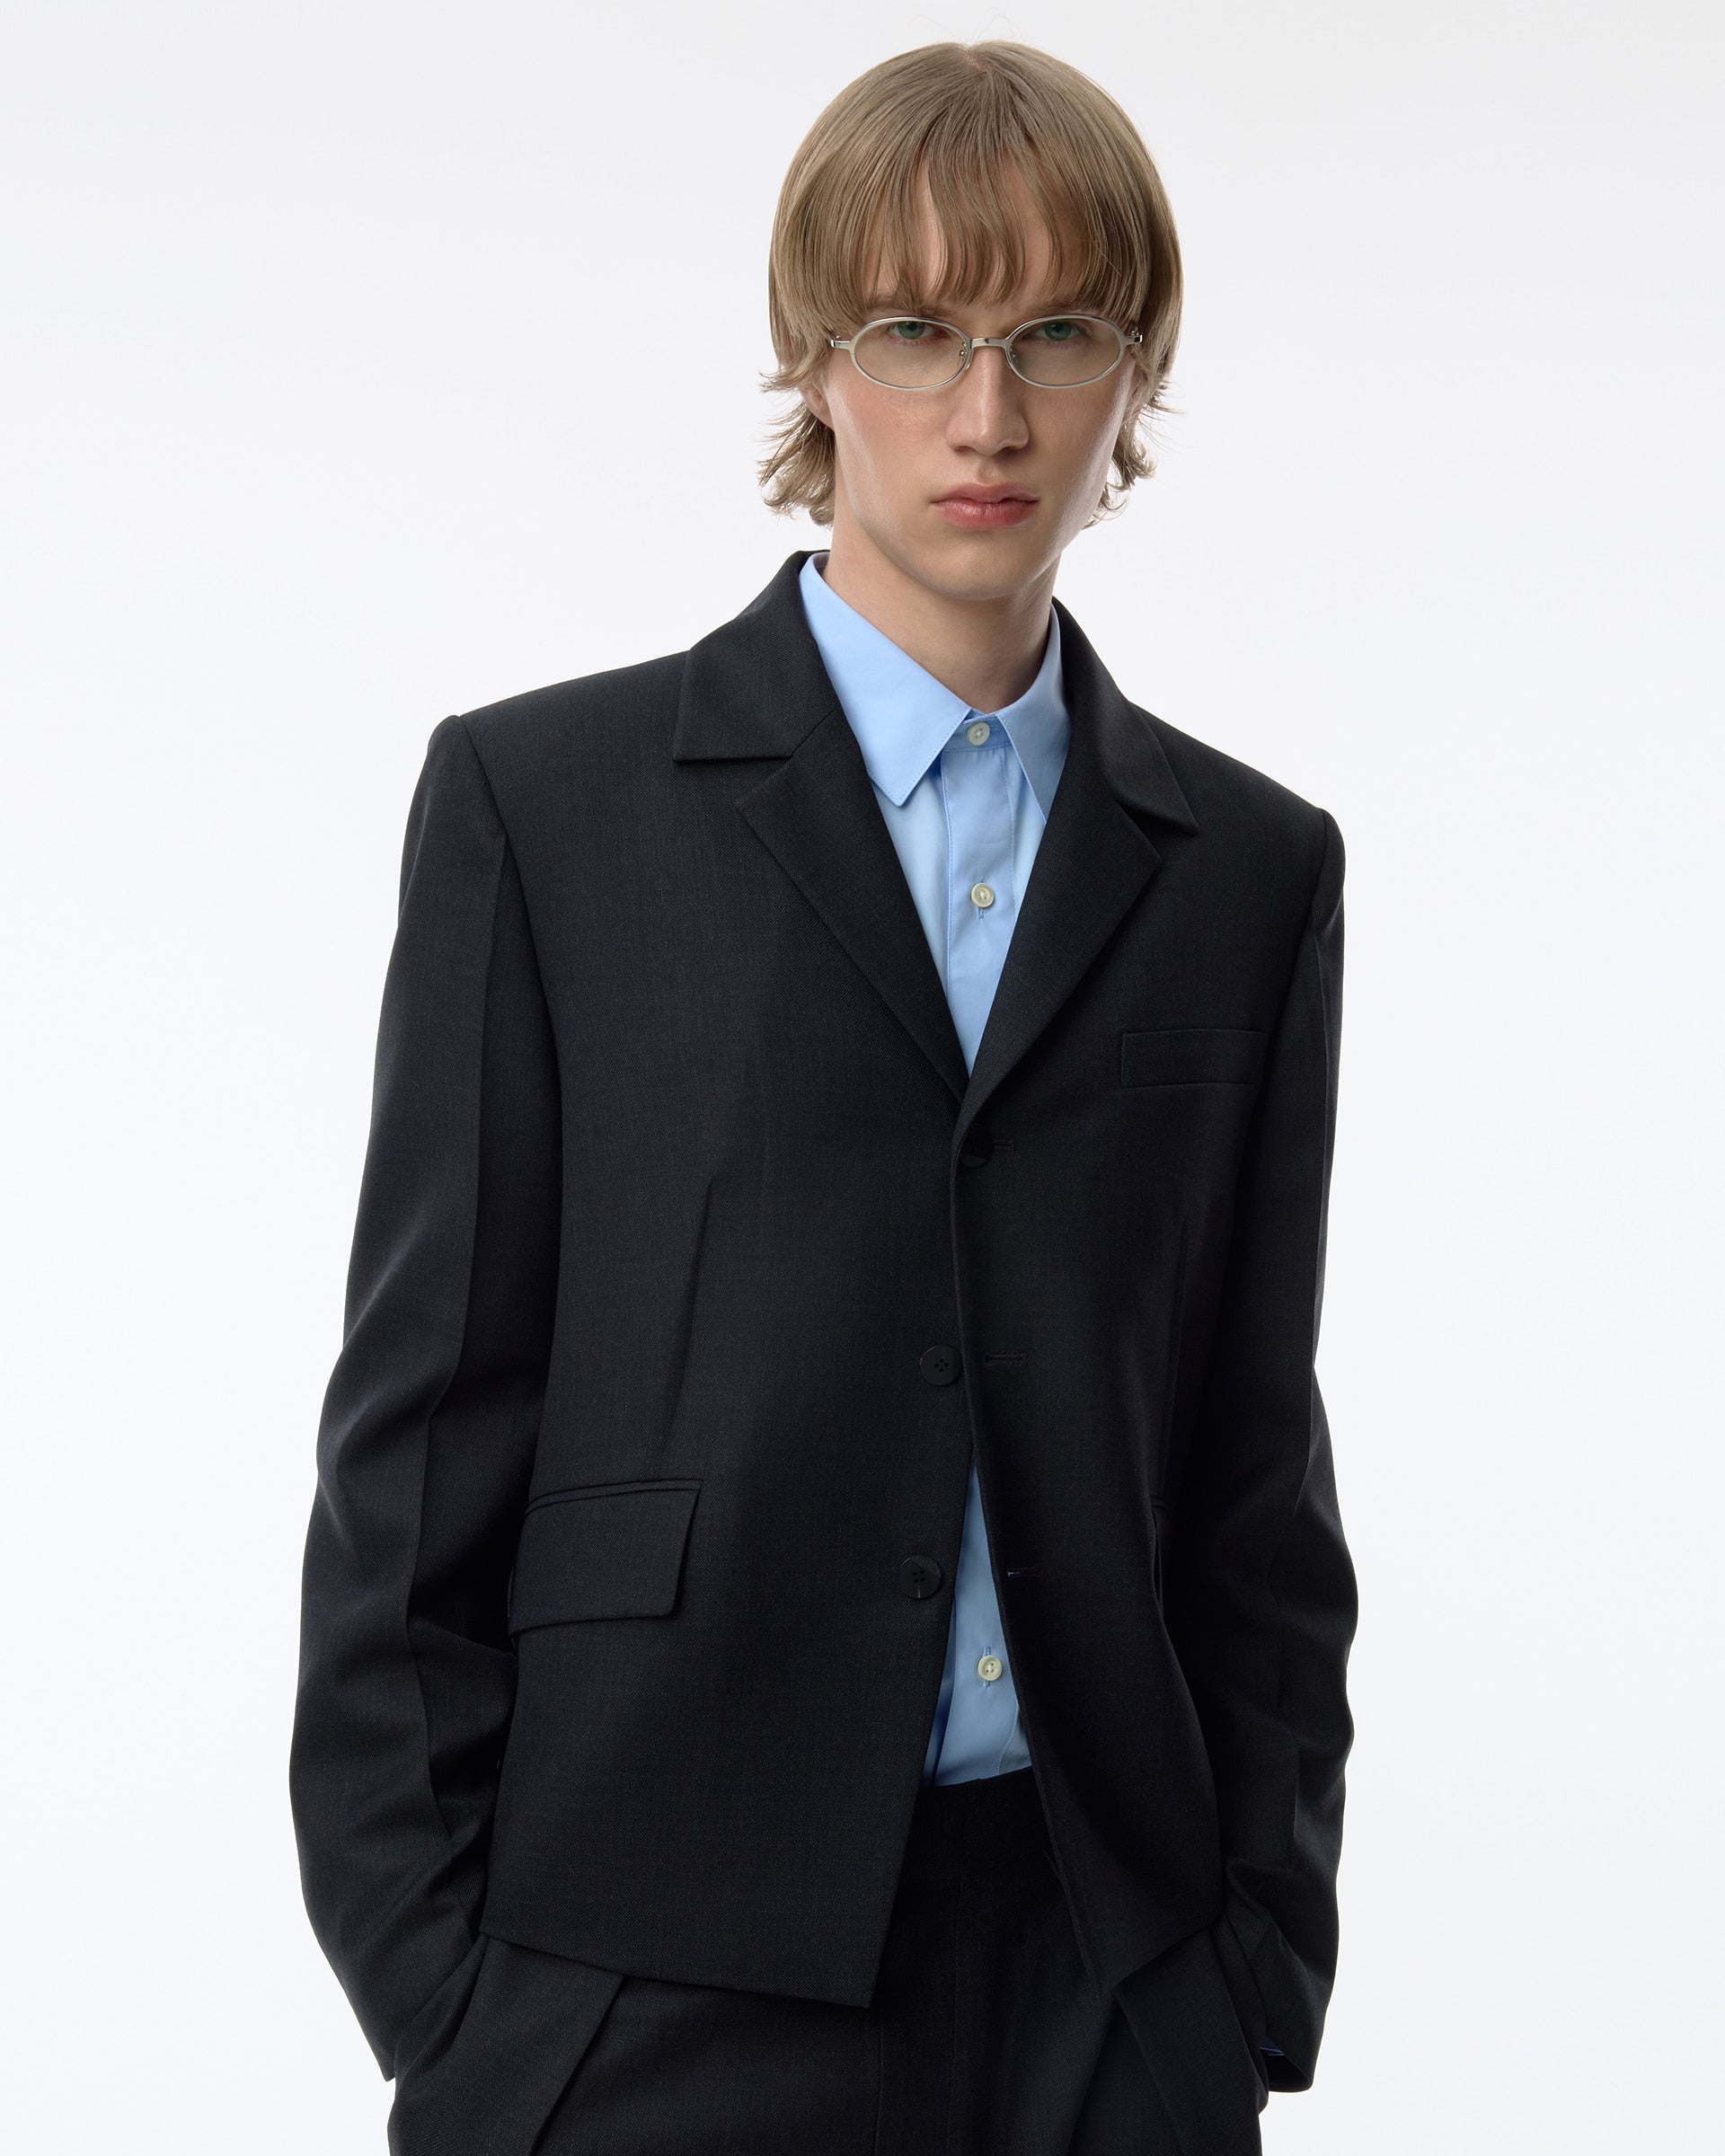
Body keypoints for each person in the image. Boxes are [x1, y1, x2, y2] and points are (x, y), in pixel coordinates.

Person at [289, 38, 1357, 2156]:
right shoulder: (549, 808)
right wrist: (454, 2006)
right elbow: (422, 1439)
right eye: (918, 332)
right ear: (815, 357)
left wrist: (1249, 1961)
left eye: (1059, 333)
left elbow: (1253, 1465)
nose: (990, 414)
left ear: (1136, 371)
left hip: (1109, 1978)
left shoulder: (1249, 869)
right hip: (644, 1962)